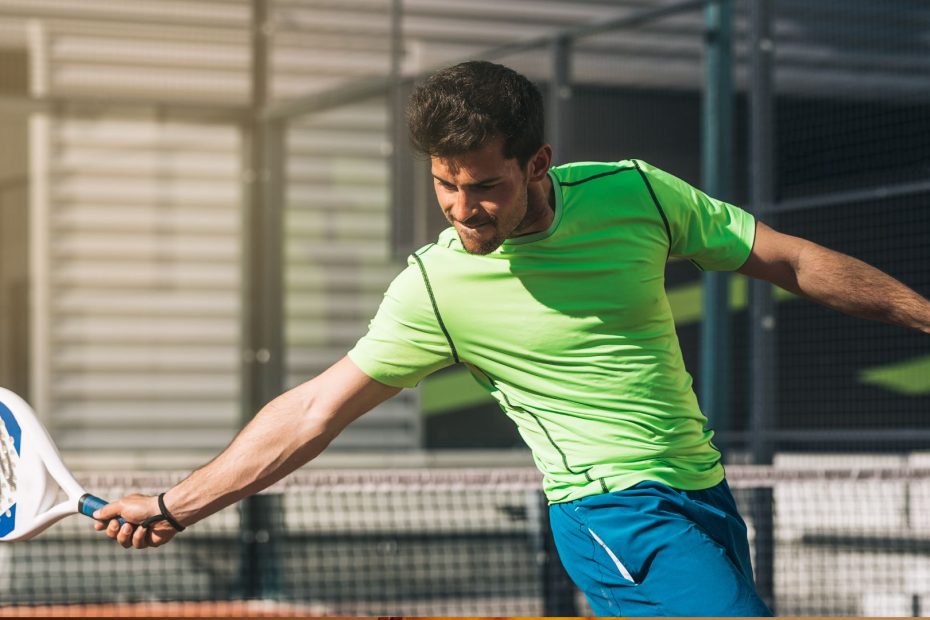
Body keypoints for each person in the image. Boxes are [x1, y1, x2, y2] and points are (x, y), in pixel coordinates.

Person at [94, 61, 930, 616]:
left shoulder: (634, 194)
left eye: (485, 186)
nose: (462, 210)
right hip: (614, 512)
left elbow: (790, 259)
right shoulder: (434, 288)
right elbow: (315, 409)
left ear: (539, 164)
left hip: (704, 498)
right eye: (444, 185)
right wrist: (178, 504)